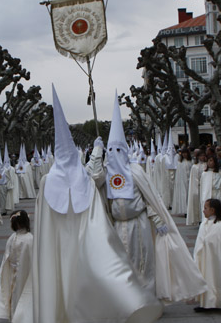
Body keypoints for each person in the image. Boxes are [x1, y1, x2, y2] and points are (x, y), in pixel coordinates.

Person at [11, 87, 162, 323]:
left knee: (79, 288)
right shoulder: (51, 183)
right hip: (67, 249)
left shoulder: (75, 181)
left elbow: (95, 214)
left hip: (77, 248)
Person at [88, 95, 206, 303]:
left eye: (118, 150)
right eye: (111, 150)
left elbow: (149, 199)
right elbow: (93, 178)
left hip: (138, 224)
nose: (114, 154)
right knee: (120, 264)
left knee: (142, 262)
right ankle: (124, 300)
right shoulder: (106, 173)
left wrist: (158, 219)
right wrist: (97, 152)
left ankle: (145, 299)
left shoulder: (135, 172)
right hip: (116, 226)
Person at [0, 210, 33, 321]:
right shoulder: (29, 238)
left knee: (16, 293)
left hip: (17, 270)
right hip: (23, 271)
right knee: (21, 293)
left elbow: (8, 256)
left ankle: (16, 315)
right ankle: (19, 316)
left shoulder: (15, 238)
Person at [185, 151, 205, 226]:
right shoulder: (195, 166)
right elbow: (194, 178)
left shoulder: (205, 166)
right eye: (201, 156)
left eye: (203, 155)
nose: (202, 157)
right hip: (197, 187)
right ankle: (198, 218)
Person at [171, 148, 191, 216]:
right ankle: (184, 210)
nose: (185, 154)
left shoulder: (191, 162)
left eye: (186, 153)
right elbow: (179, 174)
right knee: (184, 195)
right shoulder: (180, 163)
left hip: (189, 181)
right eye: (183, 153)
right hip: (182, 182)